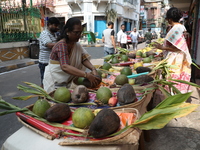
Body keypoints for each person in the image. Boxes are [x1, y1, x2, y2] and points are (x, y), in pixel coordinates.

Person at [43, 17, 101, 93]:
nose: (79, 35)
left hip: (67, 82)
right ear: (67, 31)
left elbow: (83, 58)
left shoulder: (76, 45)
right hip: (55, 83)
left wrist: (93, 69)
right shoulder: (61, 45)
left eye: (80, 33)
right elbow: (65, 66)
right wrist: (86, 75)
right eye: (76, 32)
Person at [154, 7, 192, 93]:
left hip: (176, 60)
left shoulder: (175, 29)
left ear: (170, 19)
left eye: (167, 18)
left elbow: (177, 47)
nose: (167, 20)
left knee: (173, 81)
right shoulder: (181, 27)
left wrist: (163, 48)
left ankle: (173, 99)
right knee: (179, 80)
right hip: (180, 58)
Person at [38, 17, 60, 87]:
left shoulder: (54, 34)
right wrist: (61, 44)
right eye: (55, 25)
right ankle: (41, 96)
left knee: (51, 81)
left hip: (52, 62)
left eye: (57, 26)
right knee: (44, 81)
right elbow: (49, 44)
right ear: (49, 24)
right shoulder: (44, 33)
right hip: (45, 62)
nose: (57, 27)